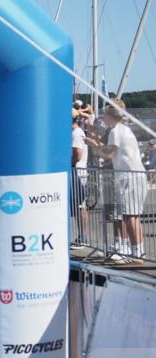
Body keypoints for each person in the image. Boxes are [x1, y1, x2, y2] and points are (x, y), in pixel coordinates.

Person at [89, 103, 147, 262]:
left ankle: (137, 254)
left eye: (104, 115)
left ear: (111, 116)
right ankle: (138, 251)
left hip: (129, 177)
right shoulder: (123, 129)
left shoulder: (116, 130)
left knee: (130, 216)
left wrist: (95, 145)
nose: (103, 118)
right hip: (133, 176)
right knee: (132, 215)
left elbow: (108, 154)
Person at [71, 116, 90, 245]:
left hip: (78, 172)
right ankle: (82, 236)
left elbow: (78, 154)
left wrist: (69, 163)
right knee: (78, 206)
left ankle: (84, 236)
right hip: (77, 172)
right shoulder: (76, 133)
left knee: (80, 206)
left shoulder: (76, 134)